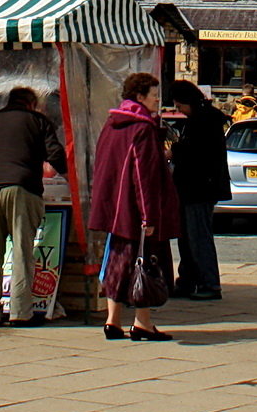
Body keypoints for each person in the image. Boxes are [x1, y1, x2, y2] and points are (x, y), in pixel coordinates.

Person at [87, 72, 180, 342]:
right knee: (145, 263)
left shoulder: (112, 125)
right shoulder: (142, 129)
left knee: (118, 262)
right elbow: (144, 177)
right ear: (140, 97)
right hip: (136, 212)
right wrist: (148, 216)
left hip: (115, 210)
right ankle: (142, 322)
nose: (157, 100)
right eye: (154, 95)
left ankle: (112, 320)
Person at [0, 87, 67, 328]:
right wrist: (71, 179)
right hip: (21, 188)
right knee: (21, 251)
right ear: (31, 104)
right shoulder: (37, 120)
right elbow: (55, 154)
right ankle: (21, 313)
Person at [168, 81, 230, 302]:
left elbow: (196, 153)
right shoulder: (201, 118)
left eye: (179, 105)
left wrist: (174, 151)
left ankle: (209, 283)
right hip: (191, 187)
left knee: (198, 237)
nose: (179, 110)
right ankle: (188, 280)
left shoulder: (204, 121)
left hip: (199, 188)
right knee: (186, 238)